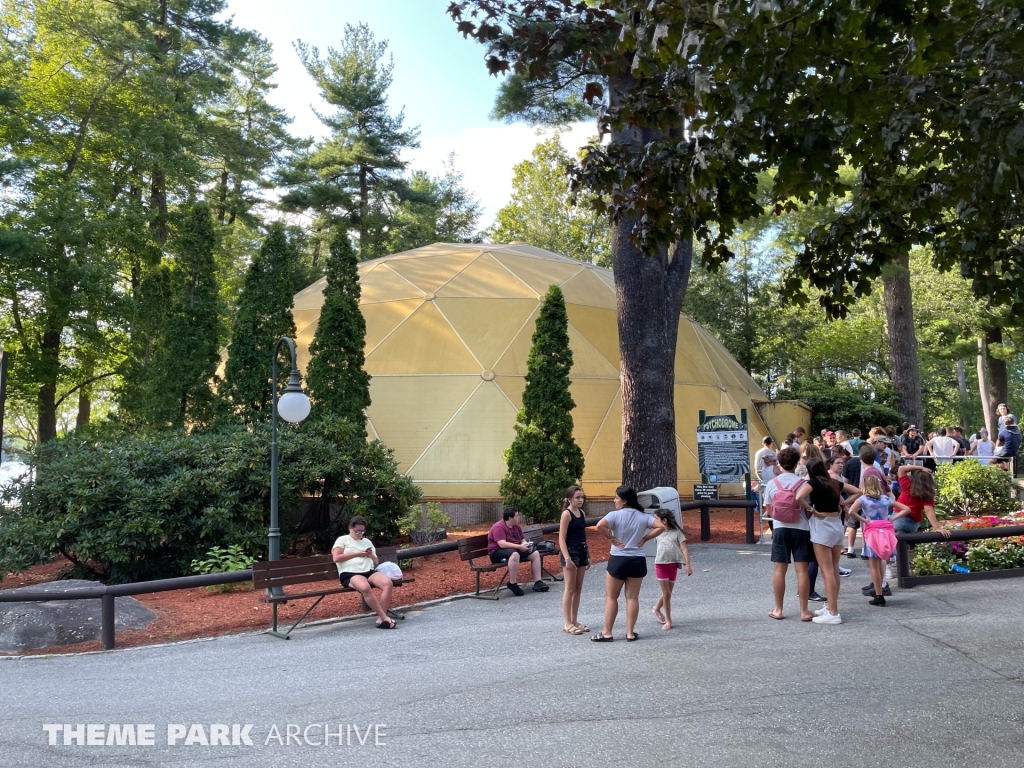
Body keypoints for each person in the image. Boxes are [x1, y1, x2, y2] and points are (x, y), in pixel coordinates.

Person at [591, 486, 663, 642]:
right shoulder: (643, 516)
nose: (614, 500)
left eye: (616, 498)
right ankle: (630, 633)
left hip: (619, 558)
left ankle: (607, 632)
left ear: (624, 501)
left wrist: (611, 538)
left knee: (611, 597)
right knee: (632, 598)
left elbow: (599, 526)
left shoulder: (615, 515)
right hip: (637, 559)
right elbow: (661, 527)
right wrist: (645, 539)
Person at [796, 459, 861, 625]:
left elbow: (799, 497)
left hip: (822, 524)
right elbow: (857, 491)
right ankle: (832, 606)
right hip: (836, 524)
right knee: (833, 568)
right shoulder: (834, 483)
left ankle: (833, 612)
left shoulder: (812, 483)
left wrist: (812, 510)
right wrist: (843, 503)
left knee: (826, 571)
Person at [764, 447, 814, 622]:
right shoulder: (803, 484)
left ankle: (778, 609)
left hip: (780, 529)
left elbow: (769, 510)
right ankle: (804, 611)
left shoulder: (772, 484)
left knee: (779, 570)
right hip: (800, 528)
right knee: (802, 571)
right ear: (797, 463)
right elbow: (808, 511)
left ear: (780, 463)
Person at [847, 476, 910, 606]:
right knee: (882, 560)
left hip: (872, 531)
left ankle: (878, 594)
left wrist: (864, 520)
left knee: (874, 565)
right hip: (886, 530)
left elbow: (851, 511)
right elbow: (906, 509)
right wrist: (891, 518)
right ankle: (881, 588)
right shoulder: (886, 499)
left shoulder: (863, 499)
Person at [332, 516, 397, 629]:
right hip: (350, 573)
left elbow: (376, 561)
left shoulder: (367, 541)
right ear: (350, 528)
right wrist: (358, 554)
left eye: (362, 531)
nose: (360, 533)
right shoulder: (343, 540)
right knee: (365, 587)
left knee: (388, 583)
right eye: (357, 531)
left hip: (368, 571)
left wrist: (369, 554)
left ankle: (381, 619)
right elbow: (336, 558)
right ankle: (384, 617)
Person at [487, 508, 549, 596]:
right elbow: (502, 544)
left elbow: (522, 539)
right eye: (516, 516)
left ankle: (538, 582)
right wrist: (519, 547)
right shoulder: (499, 527)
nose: (519, 517)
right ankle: (512, 583)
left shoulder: (516, 526)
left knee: (535, 554)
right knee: (514, 554)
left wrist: (526, 545)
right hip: (496, 552)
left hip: (513, 549)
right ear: (510, 518)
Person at [651, 509, 692, 631]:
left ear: (664, 520)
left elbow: (684, 549)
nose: (654, 521)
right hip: (660, 565)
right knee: (667, 593)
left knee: (668, 593)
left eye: (656, 518)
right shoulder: (656, 532)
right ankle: (668, 619)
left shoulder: (677, 533)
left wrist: (687, 565)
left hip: (673, 565)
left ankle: (656, 608)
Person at [558, 486, 590, 634]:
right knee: (569, 589)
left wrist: (588, 555)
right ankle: (567, 623)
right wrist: (567, 558)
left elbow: (583, 535)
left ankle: (574, 620)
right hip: (571, 552)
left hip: (582, 550)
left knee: (578, 589)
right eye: (577, 497)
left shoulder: (581, 513)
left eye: (582, 497)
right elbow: (561, 538)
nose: (580, 500)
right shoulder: (567, 514)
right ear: (570, 499)